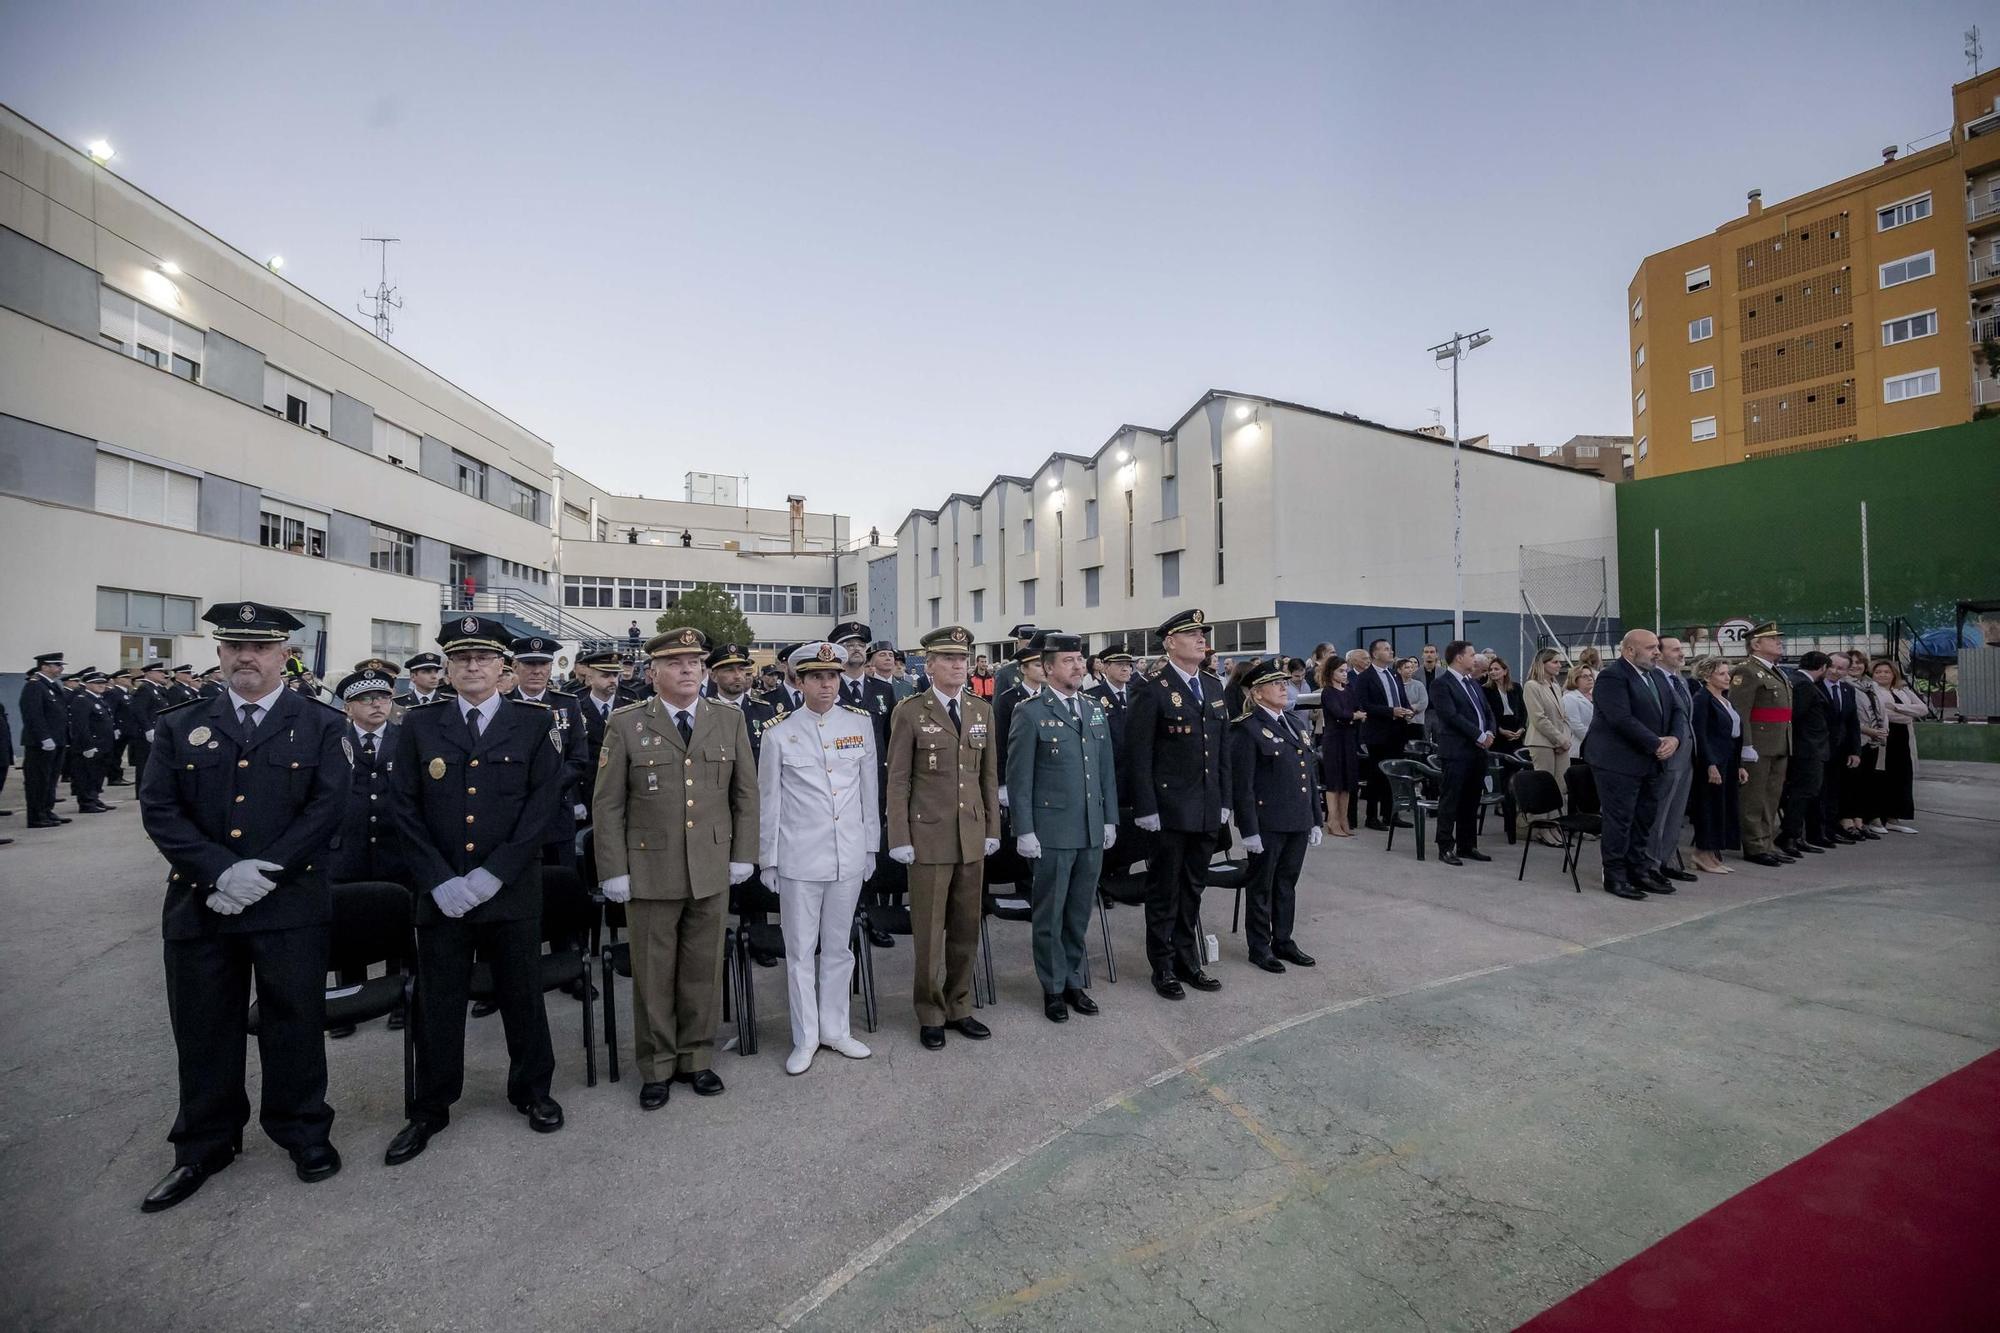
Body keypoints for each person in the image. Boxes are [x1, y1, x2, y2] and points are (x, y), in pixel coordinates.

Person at [135, 601, 347, 1212]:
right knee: (203, 1027)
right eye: (233, 647)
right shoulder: (181, 724)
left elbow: (327, 807)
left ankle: (303, 1130)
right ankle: (204, 1144)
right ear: (221, 653)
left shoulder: (320, 723)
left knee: (294, 1022)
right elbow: (160, 810)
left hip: (288, 902)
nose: (244, 657)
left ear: (285, 655)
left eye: (259, 648)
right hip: (203, 903)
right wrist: (222, 872)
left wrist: (264, 871)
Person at [381, 615, 566, 1165]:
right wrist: (439, 880)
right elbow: (403, 808)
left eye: (483, 659)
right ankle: (430, 1108)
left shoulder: (533, 724)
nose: (472, 667)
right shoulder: (419, 724)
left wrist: (495, 873)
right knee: (438, 1003)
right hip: (443, 894)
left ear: (502, 667)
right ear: (447, 668)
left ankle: (533, 1090)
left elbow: (541, 806)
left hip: (508, 889)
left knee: (521, 994)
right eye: (461, 659)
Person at [595, 627, 758, 1108]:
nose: (688, 670)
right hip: (651, 867)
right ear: (653, 673)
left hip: (711, 865)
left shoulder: (726, 719)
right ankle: (657, 1065)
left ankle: (696, 1058)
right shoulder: (626, 724)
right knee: (654, 971)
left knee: (702, 970)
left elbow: (745, 794)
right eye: (676, 663)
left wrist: (743, 853)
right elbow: (607, 806)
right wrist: (614, 870)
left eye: (695, 662)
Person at [758, 641, 879, 1074]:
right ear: (800, 680)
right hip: (798, 859)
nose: (826, 684)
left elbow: (869, 792)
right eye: (816, 677)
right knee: (800, 951)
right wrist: (768, 860)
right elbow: (769, 802)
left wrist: (870, 846)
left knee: (838, 949)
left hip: (846, 855)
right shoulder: (779, 733)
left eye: (832, 676)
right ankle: (805, 1036)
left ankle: (836, 1029)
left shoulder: (859, 726)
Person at [885, 626, 1001, 1050]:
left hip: (971, 834)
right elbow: (897, 780)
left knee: (966, 928)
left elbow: (988, 776)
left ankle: (960, 1005)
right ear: (929, 665)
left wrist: (992, 829)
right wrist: (899, 835)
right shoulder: (911, 711)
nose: (957, 665)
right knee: (930, 932)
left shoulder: (980, 710)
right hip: (928, 835)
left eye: (962, 659)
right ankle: (930, 1011)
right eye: (948, 659)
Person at [1005, 632, 1117, 1023]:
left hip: (1089, 828)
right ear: (1048, 668)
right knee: (1050, 912)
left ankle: (1074, 979)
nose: (1078, 666)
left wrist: (1109, 819)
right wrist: (1025, 830)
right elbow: (1019, 777)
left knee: (1078, 910)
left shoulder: (1093, 708)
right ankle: (1053, 987)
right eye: (1068, 660)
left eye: (1080, 659)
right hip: (1051, 830)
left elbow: (1105, 769)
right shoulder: (1030, 711)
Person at [1126, 610, 1231, 1000]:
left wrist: (1225, 800)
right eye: (1192, 634)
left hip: (1206, 806)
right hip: (1169, 808)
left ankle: (1190, 960)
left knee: (1194, 888)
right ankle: (1164, 966)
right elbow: (1139, 754)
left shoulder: (1212, 685)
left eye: (1203, 633)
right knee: (1165, 890)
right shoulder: (1151, 687)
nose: (1202, 639)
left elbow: (1222, 751)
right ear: (1170, 642)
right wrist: (1146, 808)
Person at [1229, 659, 1323, 973]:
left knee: (1286, 883)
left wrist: (1315, 819)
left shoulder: (1295, 722)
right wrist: (1248, 830)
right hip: (1267, 822)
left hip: (1297, 819)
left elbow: (1308, 774)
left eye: (1284, 682)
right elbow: (1242, 785)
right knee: (1262, 885)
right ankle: (1260, 946)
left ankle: (1284, 939)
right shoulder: (1247, 728)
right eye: (1276, 683)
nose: (1284, 688)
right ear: (1257, 694)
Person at [1582, 629, 1680, 901]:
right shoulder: (1613, 677)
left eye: (1656, 647)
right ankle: (1615, 875)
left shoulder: (1657, 676)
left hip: (1650, 761)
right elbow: (1620, 719)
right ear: (1629, 651)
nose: (1656, 652)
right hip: (1618, 762)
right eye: (1650, 648)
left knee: (1643, 819)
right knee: (1620, 821)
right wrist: (1657, 743)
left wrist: (1674, 738)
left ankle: (1639, 870)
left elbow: (1676, 711)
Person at [1729, 624, 1795, 867]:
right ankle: (1755, 846)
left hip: (1778, 744)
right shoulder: (1746, 671)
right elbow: (1740, 712)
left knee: (1771, 797)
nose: (1779, 641)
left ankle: (1767, 842)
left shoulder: (1775, 671)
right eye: (1772, 639)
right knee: (1753, 799)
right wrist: (1745, 745)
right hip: (1758, 745)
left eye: (1779, 638)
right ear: (1756, 644)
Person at [1428, 640, 1495, 867]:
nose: (1475, 659)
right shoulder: (1442, 684)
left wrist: (1489, 731)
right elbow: (1451, 716)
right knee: (1451, 800)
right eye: (1472, 654)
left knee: (1471, 800)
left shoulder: (1473, 683)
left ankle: (1468, 845)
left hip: (1477, 752)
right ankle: (1445, 846)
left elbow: (1486, 711)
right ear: (1459, 657)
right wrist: (1479, 735)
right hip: (1456, 751)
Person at [1646, 637, 1699, 881]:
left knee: (1676, 814)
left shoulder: (1679, 680)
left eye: (1681, 649)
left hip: (1687, 755)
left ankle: (1664, 860)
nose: (1681, 653)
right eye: (1675, 649)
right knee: (1660, 813)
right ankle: (1651, 864)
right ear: (1660, 653)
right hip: (1668, 755)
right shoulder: (1654, 679)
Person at [1689, 656, 1745, 875]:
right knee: (1709, 806)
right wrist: (1710, 763)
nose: (1727, 677)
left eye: (1727, 673)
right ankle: (1701, 852)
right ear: (1707, 676)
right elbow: (1700, 734)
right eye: (1721, 673)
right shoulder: (1702, 699)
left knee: (1723, 806)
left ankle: (1712, 853)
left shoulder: (1725, 699)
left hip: (1728, 760)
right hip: (1713, 761)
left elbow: (1735, 732)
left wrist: (1739, 764)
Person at [1776, 651, 1833, 860]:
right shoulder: (1804, 685)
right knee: (1804, 792)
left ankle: (1796, 836)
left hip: (1807, 747)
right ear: (1823, 668)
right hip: (1807, 749)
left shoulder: (1797, 681)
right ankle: (1789, 835)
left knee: (1805, 792)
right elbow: (1794, 716)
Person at [1355, 639, 1414, 832]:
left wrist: (1408, 710)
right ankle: (1372, 816)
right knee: (1377, 774)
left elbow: (1402, 698)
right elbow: (1364, 705)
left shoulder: (1394, 675)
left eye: (1390, 649)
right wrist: (1390, 711)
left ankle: (1391, 814)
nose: (1391, 652)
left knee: (1395, 773)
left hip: (1397, 730)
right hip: (1378, 732)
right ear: (1374, 654)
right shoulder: (1366, 677)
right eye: (1386, 649)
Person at [1522, 649, 1573, 840]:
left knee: (1560, 786)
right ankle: (1542, 828)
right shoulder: (1532, 686)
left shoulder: (1555, 685)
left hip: (1560, 742)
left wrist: (1565, 739)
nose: (1559, 666)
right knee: (1544, 786)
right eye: (1555, 662)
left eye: (1559, 662)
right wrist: (1559, 739)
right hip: (1542, 742)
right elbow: (1538, 718)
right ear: (1543, 664)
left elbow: (1563, 717)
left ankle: (1555, 824)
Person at [1872, 659, 1925, 834]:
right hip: (1885, 739)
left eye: (1886, 672)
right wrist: (1907, 712)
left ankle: (1894, 818)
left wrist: (1896, 707)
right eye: (1878, 671)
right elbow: (1880, 713)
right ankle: (1877, 818)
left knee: (1901, 778)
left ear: (1894, 673)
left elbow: (1922, 709)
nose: (1882, 675)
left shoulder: (1902, 690)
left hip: (1904, 740)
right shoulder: (1872, 690)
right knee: (1882, 778)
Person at [1817, 652, 1863, 846]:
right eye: (1832, 666)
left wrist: (1855, 751)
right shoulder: (1813, 687)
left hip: (1841, 750)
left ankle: (1834, 827)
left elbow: (1853, 722)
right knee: (1821, 791)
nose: (1835, 671)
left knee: (1836, 790)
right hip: (1820, 749)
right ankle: (1821, 830)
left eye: (1841, 668)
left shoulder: (1847, 689)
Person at [20, 652, 70, 827]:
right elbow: (33, 715)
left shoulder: (51, 686)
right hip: (40, 743)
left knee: (50, 779)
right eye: (57, 665)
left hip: (57, 741)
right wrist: (44, 738)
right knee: (38, 780)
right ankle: (36, 816)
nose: (60, 669)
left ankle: (47, 811)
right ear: (45, 667)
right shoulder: (35, 686)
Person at [992, 637, 1046, 796]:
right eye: (1037, 665)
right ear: (1023, 669)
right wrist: (1001, 782)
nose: (1043, 669)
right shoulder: (1008, 699)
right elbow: (1000, 741)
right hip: (1018, 770)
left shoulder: (1051, 697)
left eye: (1044, 664)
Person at [1482, 655, 1527, 839]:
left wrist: (1522, 728)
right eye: (1491, 669)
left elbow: (1523, 711)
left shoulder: (1516, 687)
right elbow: (1487, 715)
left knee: (1516, 779)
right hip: (1499, 738)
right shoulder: (1485, 690)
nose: (1493, 672)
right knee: (1504, 781)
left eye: (1496, 669)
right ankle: (1509, 824)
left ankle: (1518, 819)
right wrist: (1500, 730)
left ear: (1505, 671)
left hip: (1517, 736)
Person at [1317, 657, 1362, 837]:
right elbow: (1339, 713)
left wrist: (1353, 715)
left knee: (1348, 781)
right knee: (1334, 782)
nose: (1345, 674)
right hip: (1334, 739)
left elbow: (1357, 708)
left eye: (1345, 671)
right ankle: (1333, 820)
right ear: (1331, 672)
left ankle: (1344, 819)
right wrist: (1354, 716)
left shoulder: (1349, 689)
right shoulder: (1328, 692)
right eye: (1341, 671)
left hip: (1349, 738)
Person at [68, 671, 118, 813]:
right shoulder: (82, 699)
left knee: (98, 774)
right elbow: (80, 726)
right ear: (87, 684)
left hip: (103, 744)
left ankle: (94, 797)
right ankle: (86, 802)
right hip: (91, 745)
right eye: (97, 683)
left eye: (103, 683)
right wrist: (87, 745)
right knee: (86, 775)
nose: (101, 686)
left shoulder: (98, 699)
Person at [1561, 665, 1596, 756]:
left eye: (1590, 675)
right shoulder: (1569, 698)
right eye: (1585, 676)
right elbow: (1576, 726)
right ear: (1575, 679)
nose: (1590, 678)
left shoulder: (1596, 697)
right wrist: (1595, 740)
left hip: (1596, 748)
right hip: (1579, 748)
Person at [994, 624, 1036, 696]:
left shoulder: (1044, 671)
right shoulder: (1005, 673)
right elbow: (999, 705)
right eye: (1027, 645)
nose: (1030, 649)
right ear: (1018, 644)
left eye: (1034, 645)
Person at [1398, 656, 1429, 748]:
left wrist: (1410, 710)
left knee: (1417, 750)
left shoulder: (1418, 685)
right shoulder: (1396, 685)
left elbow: (1423, 702)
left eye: (1411, 667)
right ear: (1399, 670)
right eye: (1407, 667)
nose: (1410, 670)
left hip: (1416, 723)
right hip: (1400, 723)